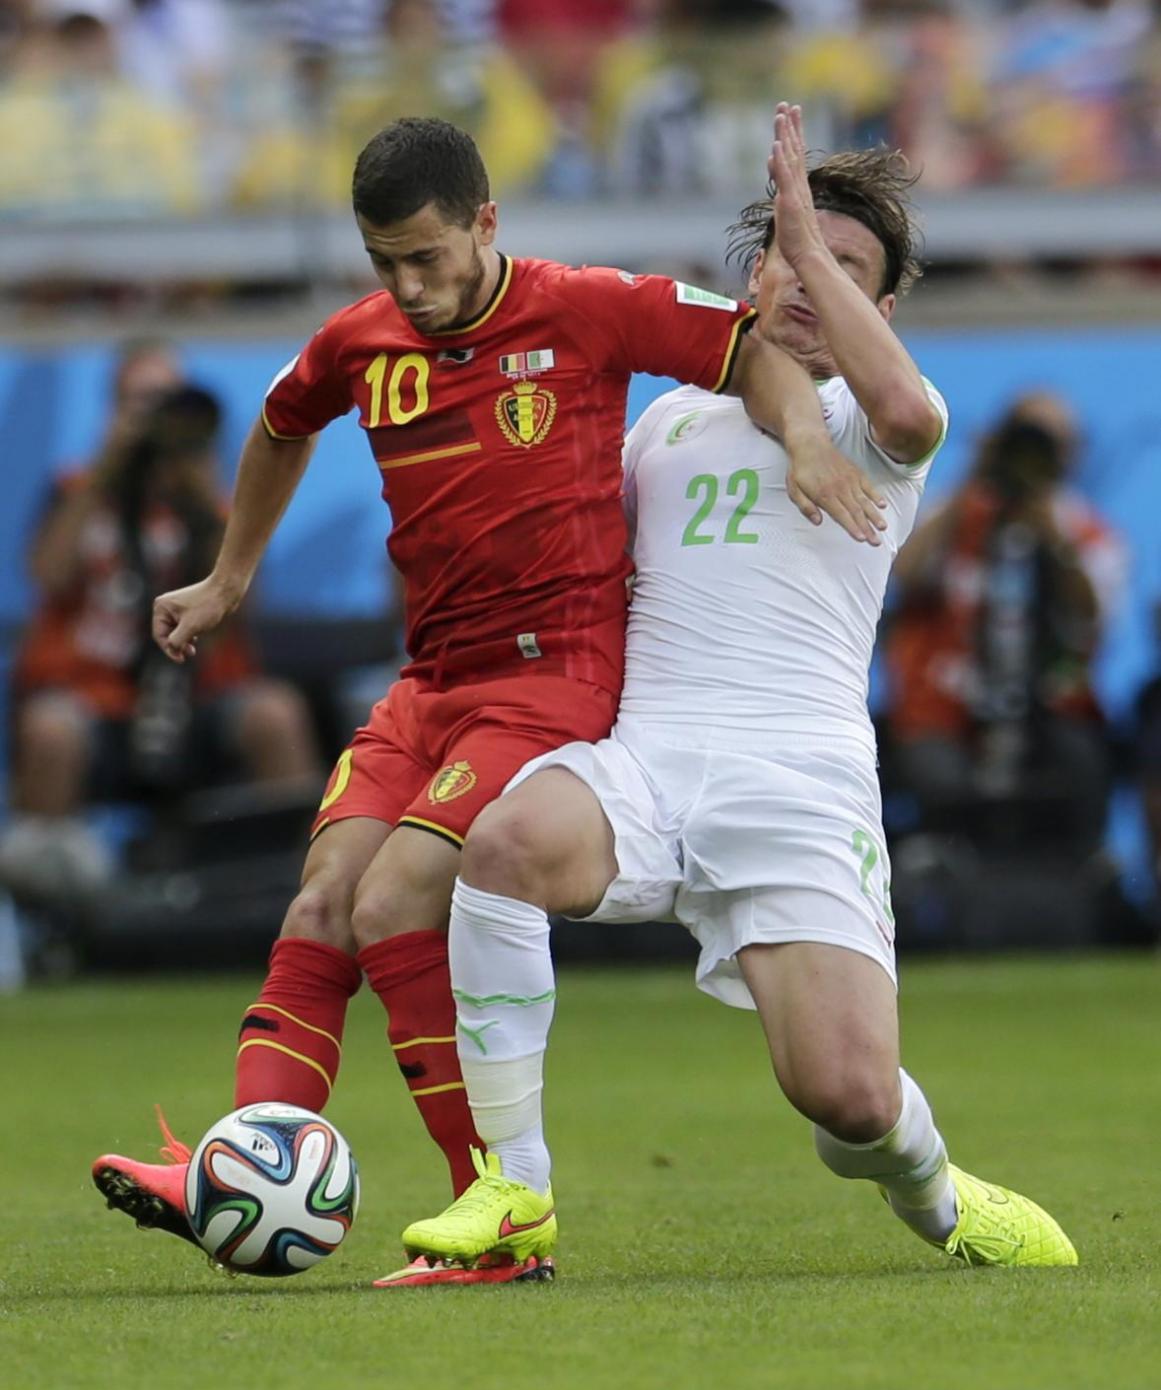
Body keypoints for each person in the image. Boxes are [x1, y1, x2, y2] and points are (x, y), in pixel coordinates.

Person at [90, 114, 886, 1285]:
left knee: (395, 896)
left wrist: (809, 439)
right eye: (384, 263)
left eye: (427, 256)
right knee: (321, 903)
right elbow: (280, 423)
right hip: (430, 683)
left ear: (486, 224)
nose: (408, 287)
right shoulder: (361, 339)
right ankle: (238, 1165)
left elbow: (750, 350)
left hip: (550, 676)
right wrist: (229, 575)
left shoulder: (585, 306)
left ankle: (500, 1209)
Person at [398, 105, 1078, 1283]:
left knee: (848, 1100)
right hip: (649, 760)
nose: (813, 282)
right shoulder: (668, 419)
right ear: (751, 273)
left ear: (883, 309)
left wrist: (811, 236)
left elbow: (909, 412)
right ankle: (515, 1188)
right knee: (501, 847)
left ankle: (936, 1189)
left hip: (798, 784)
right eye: (794, 256)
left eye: (848, 269)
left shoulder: (880, 425)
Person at [1, 361, 320, 901]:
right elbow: (47, 575)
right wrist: (107, 468)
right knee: (50, 730)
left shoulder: (212, 499)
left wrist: (202, 487)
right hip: (93, 699)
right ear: (114, 410)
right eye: (142, 403)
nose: (157, 419)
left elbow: (245, 602)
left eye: (170, 403)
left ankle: (299, 897)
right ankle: (46, 916)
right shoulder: (76, 489)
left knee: (275, 714)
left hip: (198, 696)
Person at [886, 390, 1124, 857]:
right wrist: (974, 480)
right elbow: (902, 574)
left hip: (1046, 710)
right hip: (943, 710)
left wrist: (1051, 532)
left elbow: (1092, 618)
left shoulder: (1088, 533)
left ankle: (1082, 879)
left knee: (1083, 762)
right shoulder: (953, 514)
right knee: (935, 775)